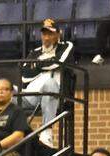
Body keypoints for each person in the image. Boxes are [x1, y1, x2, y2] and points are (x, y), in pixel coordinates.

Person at [21, 18, 74, 148]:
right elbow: (24, 76)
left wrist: (37, 65)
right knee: (3, 88)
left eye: (50, 34)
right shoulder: (34, 52)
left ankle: (46, 132)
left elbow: (58, 62)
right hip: (32, 94)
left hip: (56, 94)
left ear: (57, 34)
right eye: (44, 34)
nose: (46, 37)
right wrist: (46, 64)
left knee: (49, 84)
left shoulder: (66, 46)